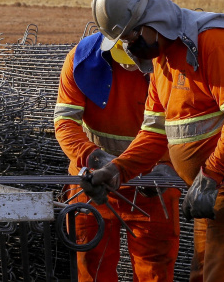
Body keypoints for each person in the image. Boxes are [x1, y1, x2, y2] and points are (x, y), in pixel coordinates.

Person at [84, 0, 224, 282]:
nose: (129, 46)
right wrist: (117, 170)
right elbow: (154, 132)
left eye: (130, 36)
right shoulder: (162, 60)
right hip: (211, 184)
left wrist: (212, 175)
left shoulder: (215, 41)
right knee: (203, 276)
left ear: (149, 21)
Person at [56, 31, 181, 282]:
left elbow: (184, 124)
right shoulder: (81, 60)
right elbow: (65, 122)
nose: (128, 67)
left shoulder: (171, 64)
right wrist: (93, 157)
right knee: (91, 268)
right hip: (93, 184)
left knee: (153, 271)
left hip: (151, 182)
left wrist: (168, 165)